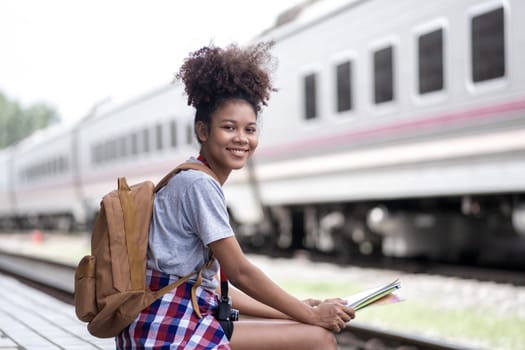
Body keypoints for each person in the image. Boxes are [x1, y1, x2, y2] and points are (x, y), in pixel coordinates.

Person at [116, 42, 355, 350]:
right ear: (203, 131)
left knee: (296, 325)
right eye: (229, 127)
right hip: (168, 329)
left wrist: (299, 308)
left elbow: (216, 286)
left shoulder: (190, 177)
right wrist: (311, 316)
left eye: (250, 129)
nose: (242, 138)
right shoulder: (198, 185)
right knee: (318, 338)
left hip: (166, 320)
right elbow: (241, 273)